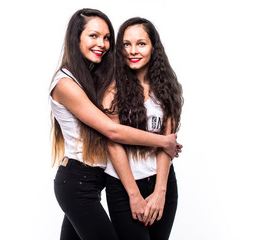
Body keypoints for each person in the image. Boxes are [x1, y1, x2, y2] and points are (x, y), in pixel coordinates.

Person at [50, 9, 181, 240]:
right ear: (76, 37)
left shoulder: (94, 77)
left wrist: (160, 186)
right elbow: (112, 131)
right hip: (78, 181)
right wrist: (163, 141)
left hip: (95, 179)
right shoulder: (65, 83)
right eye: (93, 36)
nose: (102, 43)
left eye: (107, 37)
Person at [103, 17, 184, 240]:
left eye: (141, 43)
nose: (133, 51)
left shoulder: (167, 87)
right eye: (126, 44)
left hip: (162, 182)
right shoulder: (112, 90)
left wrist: (160, 192)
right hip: (123, 187)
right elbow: (113, 142)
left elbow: (167, 143)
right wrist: (134, 194)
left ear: (153, 47)